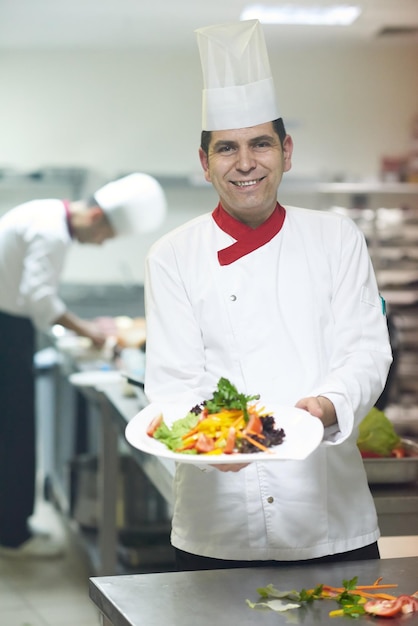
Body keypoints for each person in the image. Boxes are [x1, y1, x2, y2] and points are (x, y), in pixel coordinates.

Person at [143, 20, 393, 571]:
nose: (246, 162)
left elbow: (367, 351)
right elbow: (173, 384)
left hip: (331, 519)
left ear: (287, 151)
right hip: (217, 526)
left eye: (261, 143)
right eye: (227, 148)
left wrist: (329, 404)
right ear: (205, 163)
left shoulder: (337, 238)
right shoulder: (172, 255)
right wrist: (211, 442)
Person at [0, 172, 166, 558]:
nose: (102, 243)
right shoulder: (53, 232)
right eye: (106, 235)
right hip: (6, 328)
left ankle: (10, 528)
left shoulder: (45, 215)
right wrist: (89, 330)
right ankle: (12, 536)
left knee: (11, 431)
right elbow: (39, 297)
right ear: (95, 218)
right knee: (15, 432)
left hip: (9, 324)